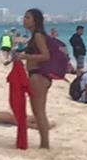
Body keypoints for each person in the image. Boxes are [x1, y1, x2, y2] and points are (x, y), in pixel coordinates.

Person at [18, 9, 58, 149]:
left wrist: (25, 57)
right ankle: (44, 143)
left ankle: (45, 144)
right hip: (36, 75)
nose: (24, 20)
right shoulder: (35, 36)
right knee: (37, 111)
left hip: (38, 76)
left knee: (39, 111)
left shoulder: (38, 36)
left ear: (35, 20)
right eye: (24, 17)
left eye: (27, 17)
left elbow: (45, 56)